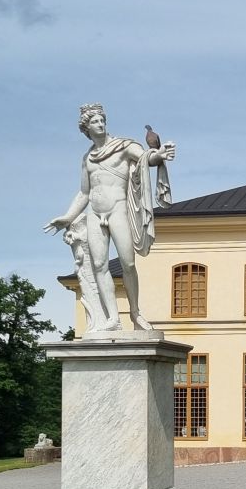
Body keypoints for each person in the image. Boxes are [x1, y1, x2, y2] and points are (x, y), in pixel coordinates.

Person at [44, 104, 175, 334]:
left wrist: (159, 155)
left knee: (128, 263)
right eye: (95, 121)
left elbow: (146, 158)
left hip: (118, 210)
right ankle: (113, 318)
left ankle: (135, 313)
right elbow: (84, 193)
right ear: (86, 128)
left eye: (102, 120)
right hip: (94, 214)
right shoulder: (87, 158)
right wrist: (68, 217)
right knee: (99, 266)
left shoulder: (123, 146)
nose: (100, 124)